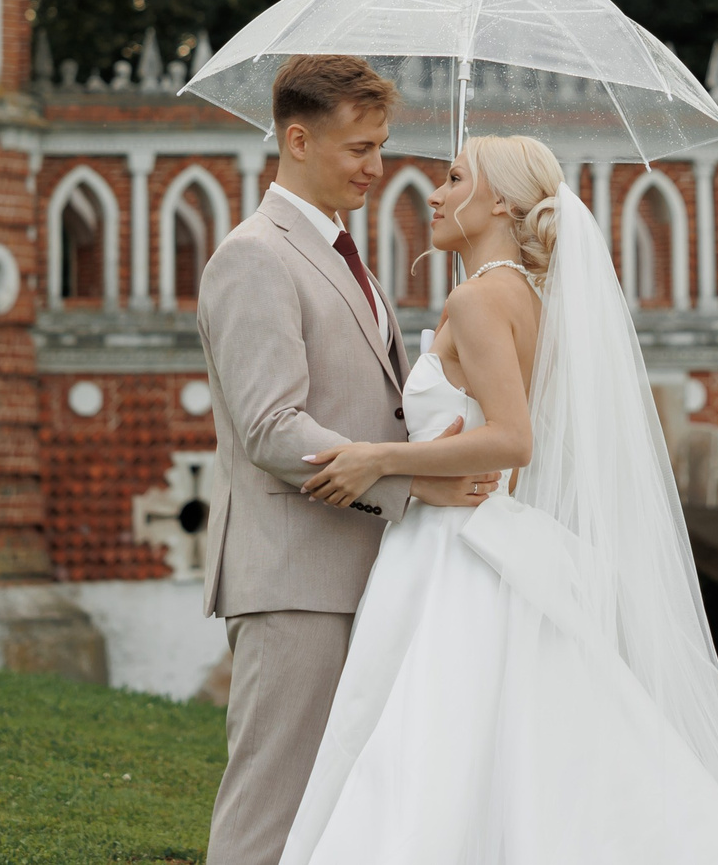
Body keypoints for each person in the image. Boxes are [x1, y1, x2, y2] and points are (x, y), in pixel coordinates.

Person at [279, 134, 718, 865]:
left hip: (452, 550)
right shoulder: (522, 296)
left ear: (497, 201)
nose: (431, 193)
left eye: (454, 177)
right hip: (472, 533)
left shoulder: (478, 298)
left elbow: (512, 439)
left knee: (431, 745)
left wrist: (381, 459)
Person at [195, 54, 500, 865]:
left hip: (365, 570)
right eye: (360, 149)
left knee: (344, 813)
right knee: (273, 808)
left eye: (381, 146)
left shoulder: (339, 255)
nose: (377, 168)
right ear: (297, 140)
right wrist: (411, 478)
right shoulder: (255, 255)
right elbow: (271, 426)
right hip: (294, 577)